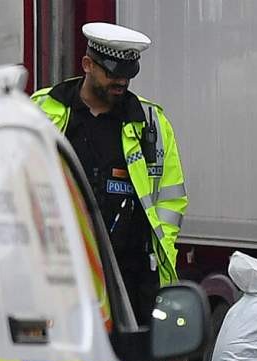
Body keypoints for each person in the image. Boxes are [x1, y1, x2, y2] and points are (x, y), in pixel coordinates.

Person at [31, 22, 187, 323]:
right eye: (112, 73)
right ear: (87, 64)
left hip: (130, 276)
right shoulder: (41, 111)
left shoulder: (151, 121)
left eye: (128, 75)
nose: (121, 82)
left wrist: (158, 250)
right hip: (59, 272)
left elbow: (171, 197)